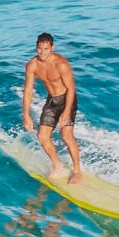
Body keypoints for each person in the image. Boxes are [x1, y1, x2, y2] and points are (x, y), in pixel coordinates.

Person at [22, 32, 82, 184]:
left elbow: (71, 89)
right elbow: (28, 90)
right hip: (52, 101)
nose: (42, 53)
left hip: (67, 99)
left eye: (46, 49)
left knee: (66, 135)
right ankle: (58, 165)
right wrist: (26, 114)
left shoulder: (61, 64)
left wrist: (66, 112)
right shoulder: (32, 65)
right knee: (42, 137)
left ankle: (77, 171)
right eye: (39, 49)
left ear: (52, 47)